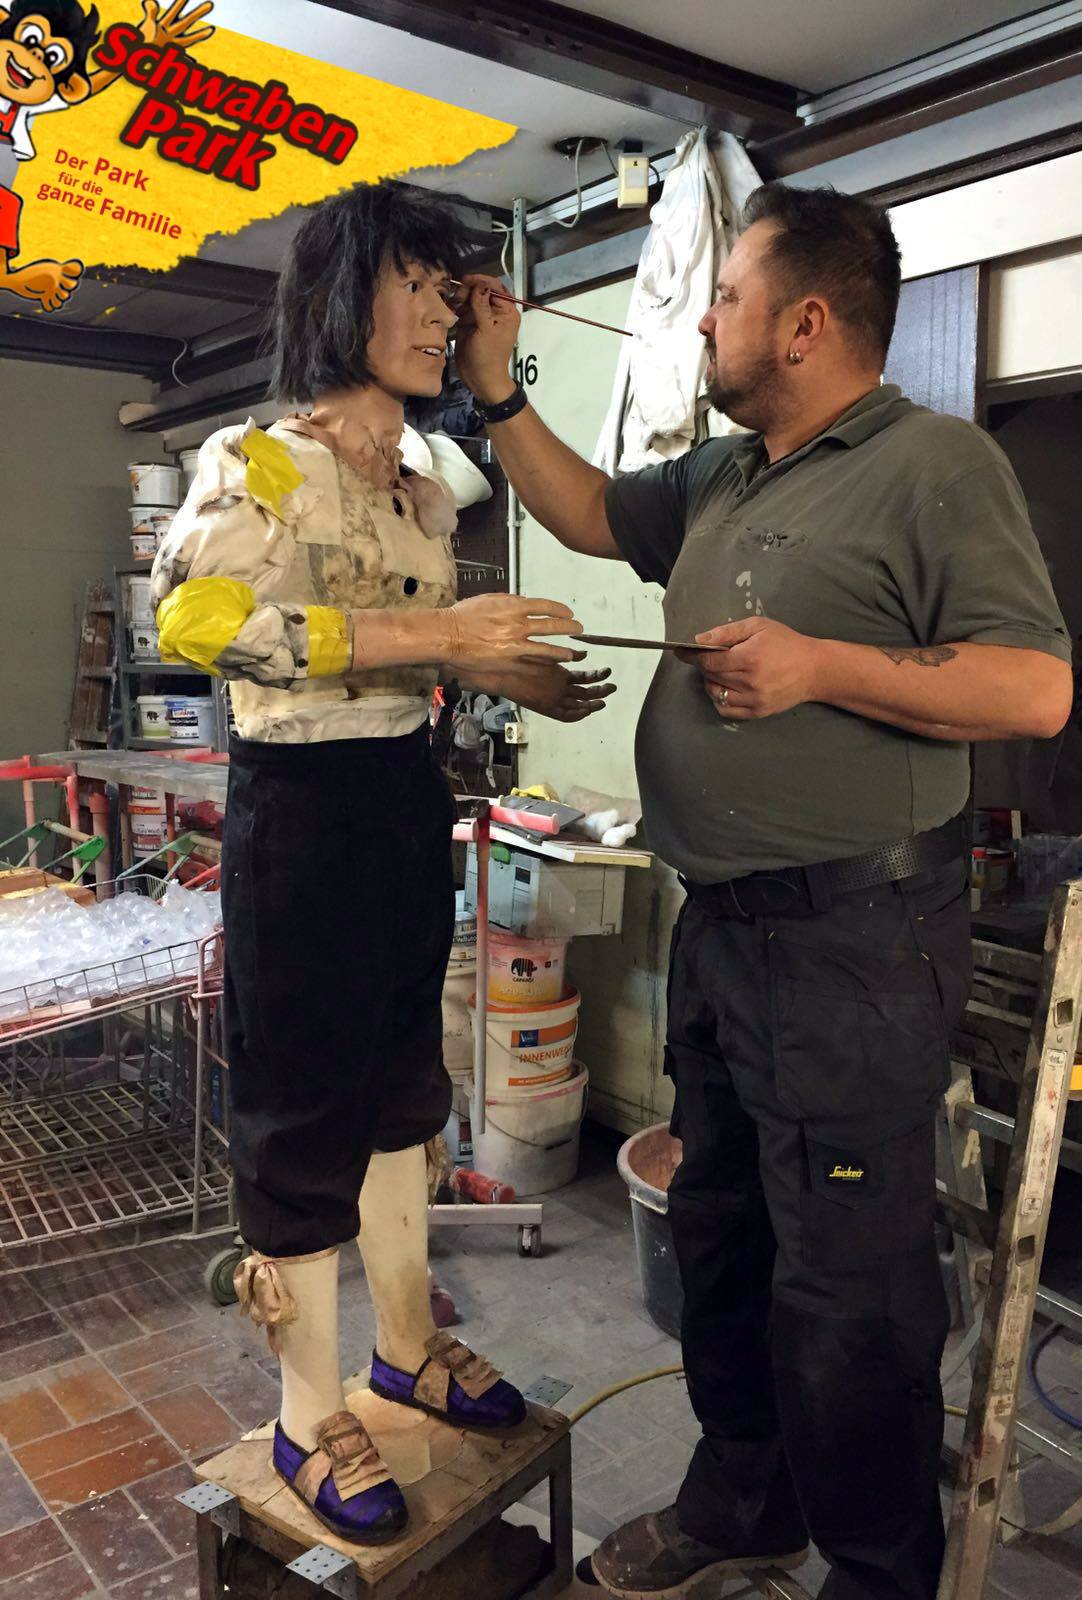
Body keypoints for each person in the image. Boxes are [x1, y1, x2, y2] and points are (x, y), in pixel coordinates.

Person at [452, 184, 1072, 1600]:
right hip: (726, 926)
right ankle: (745, 1501)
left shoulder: (935, 464)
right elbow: (587, 510)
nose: (703, 323)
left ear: (805, 323)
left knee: (850, 1285)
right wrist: (496, 388)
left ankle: (878, 1572)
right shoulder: (724, 476)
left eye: (725, 298)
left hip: (857, 941)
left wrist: (820, 665)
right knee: (722, 1234)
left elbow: (1033, 689)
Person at [150, 179, 612, 1546]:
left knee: (406, 1087)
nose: (435, 313)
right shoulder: (261, 458)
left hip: (406, 801)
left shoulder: (430, 488)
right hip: (296, 812)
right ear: (338, 299)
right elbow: (196, 619)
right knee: (300, 1110)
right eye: (410, 284)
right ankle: (307, 1413)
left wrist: (511, 672)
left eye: (444, 289)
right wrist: (446, 639)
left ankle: (406, 1349)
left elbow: (417, 657)